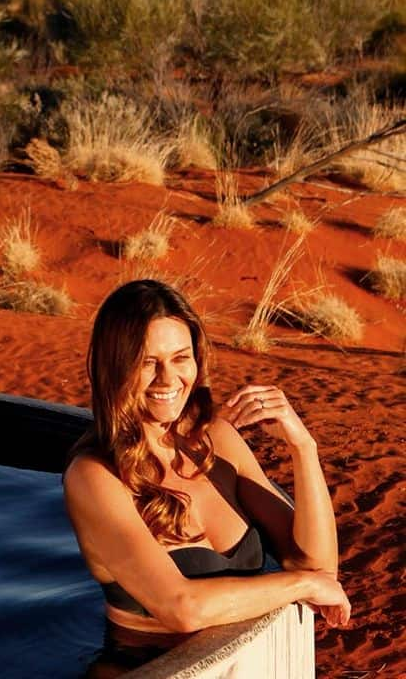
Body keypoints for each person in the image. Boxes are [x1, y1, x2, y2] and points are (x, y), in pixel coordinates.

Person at [63, 279, 350, 663]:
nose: (168, 379)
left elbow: (318, 566)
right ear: (115, 368)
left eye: (181, 358)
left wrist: (303, 447)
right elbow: (181, 609)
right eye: (148, 362)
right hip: (151, 667)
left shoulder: (216, 440)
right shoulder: (95, 476)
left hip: (246, 662)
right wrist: (302, 585)